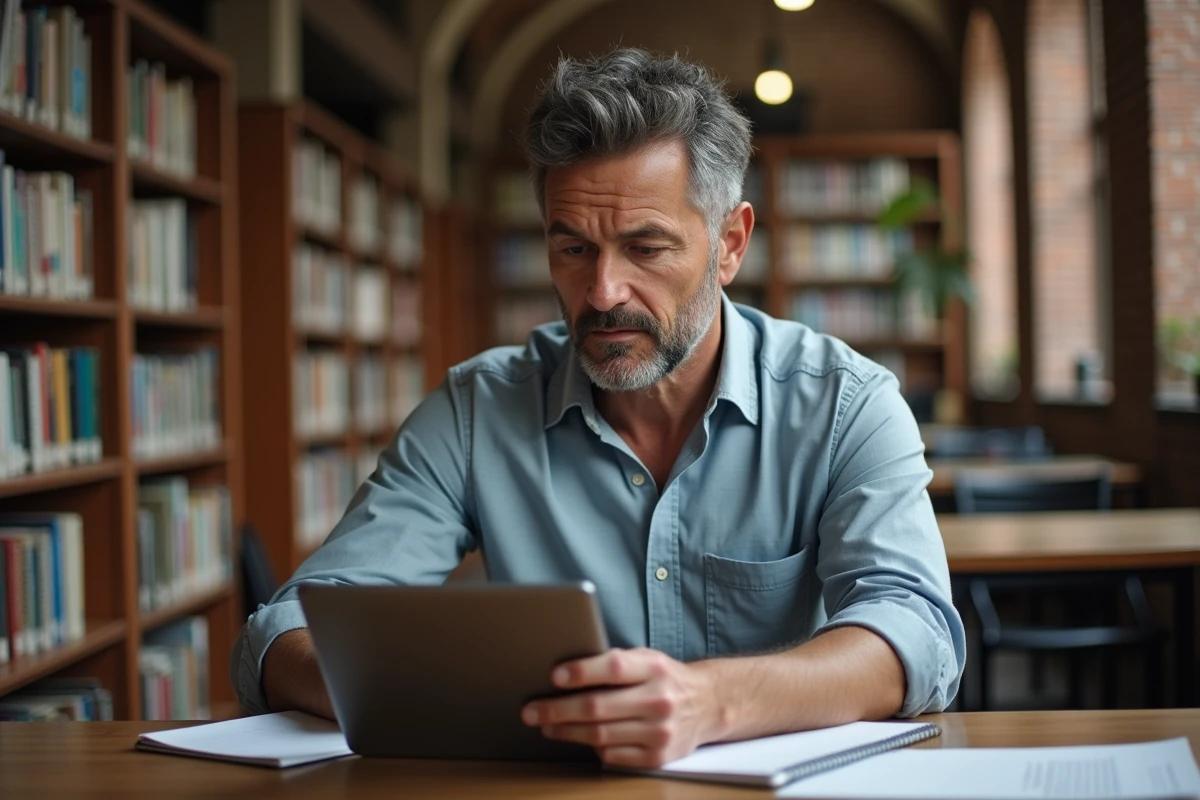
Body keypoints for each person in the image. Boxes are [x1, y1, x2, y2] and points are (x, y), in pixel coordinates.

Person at [232, 47, 966, 769]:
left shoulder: (845, 403)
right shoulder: (475, 410)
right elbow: (281, 634)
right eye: (574, 249)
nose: (604, 291)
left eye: (645, 249)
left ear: (730, 244)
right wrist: (423, 692)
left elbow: (916, 633)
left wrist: (711, 702)